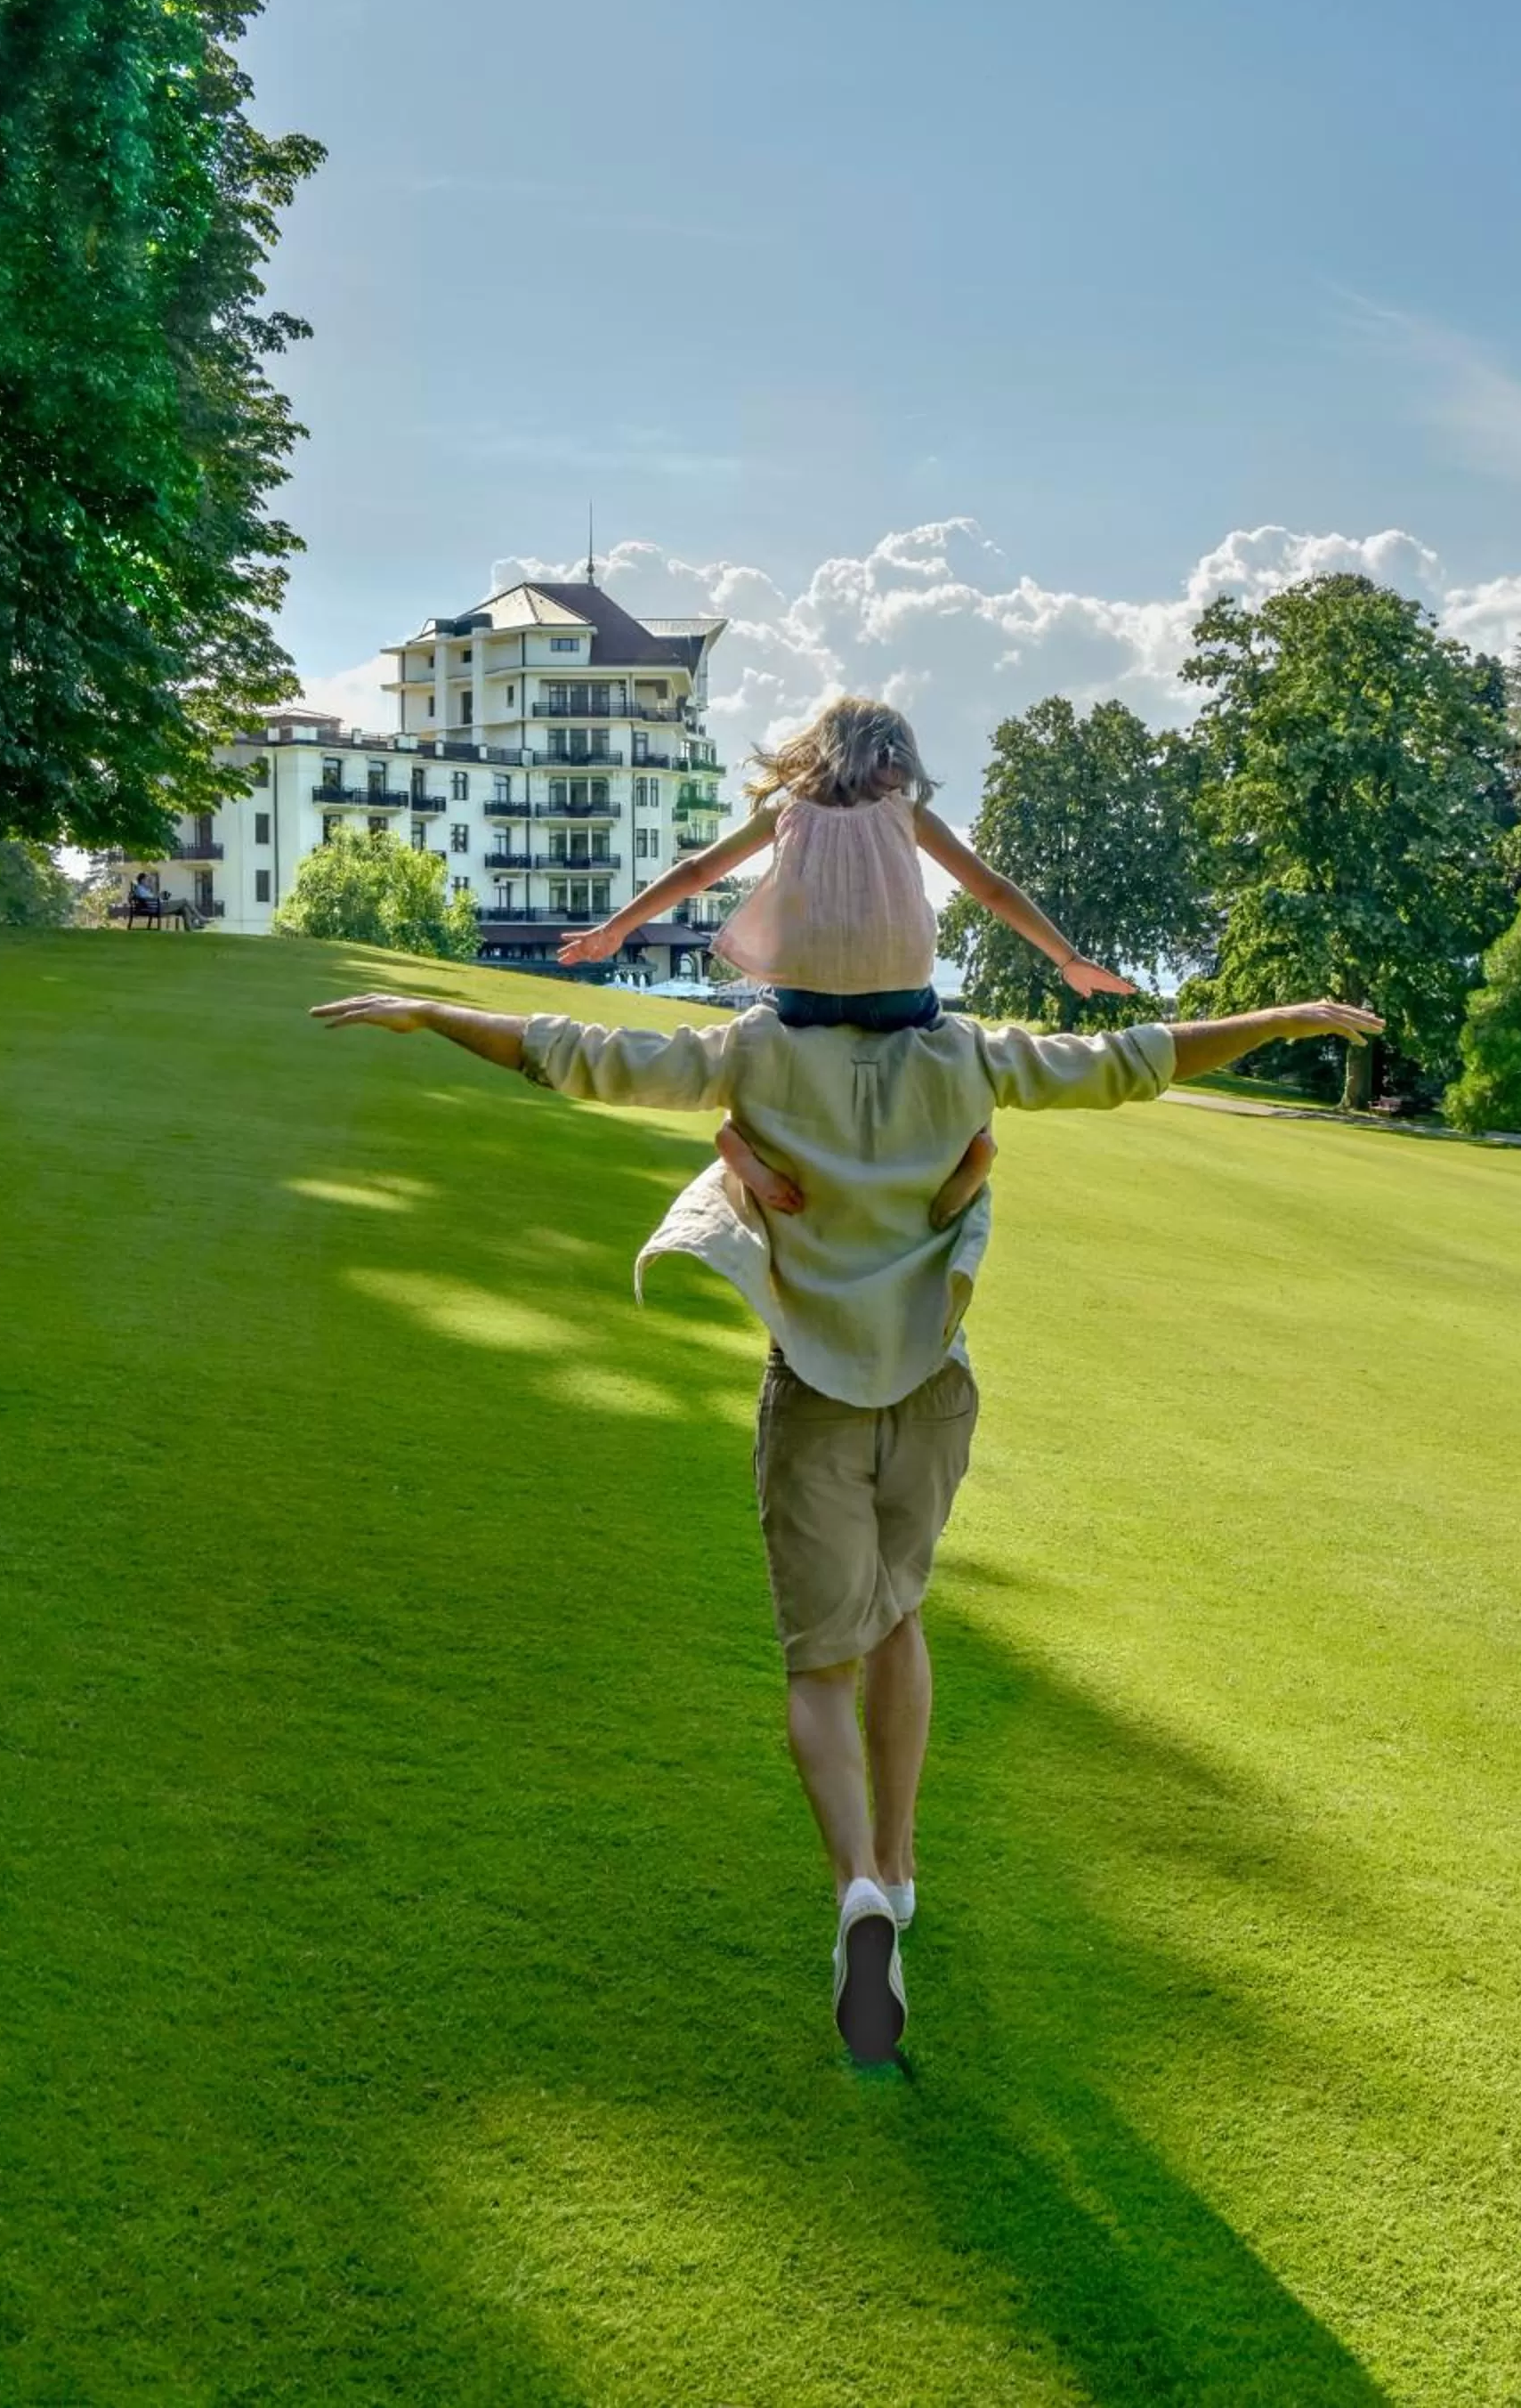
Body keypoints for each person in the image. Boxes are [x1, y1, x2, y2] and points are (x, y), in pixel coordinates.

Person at [311, 978, 1381, 2064]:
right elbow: (1134, 1058)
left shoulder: (759, 1051)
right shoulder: (967, 1054)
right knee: (897, 1614)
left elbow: (580, 1054)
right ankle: (902, 1868)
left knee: (821, 1667)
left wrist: (436, 1015)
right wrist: (1281, 1020)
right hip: (933, 1394)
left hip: (814, 1401)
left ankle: (857, 1884)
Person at [556, 697, 1138, 1228]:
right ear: (893, 761)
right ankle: (974, 1151)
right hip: (899, 1000)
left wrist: (615, 930)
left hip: (801, 1000)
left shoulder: (789, 811)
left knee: (756, 1057)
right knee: (963, 1060)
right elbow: (991, 889)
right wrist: (1068, 957)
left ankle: (742, 1144)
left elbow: (697, 873)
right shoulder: (906, 815)